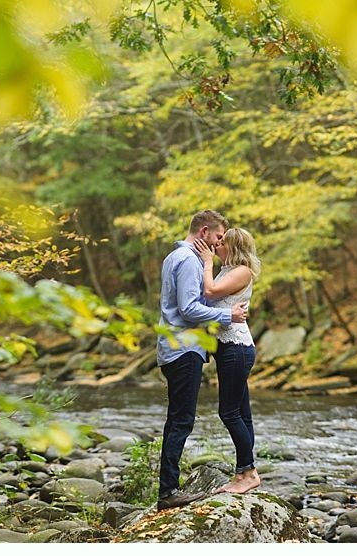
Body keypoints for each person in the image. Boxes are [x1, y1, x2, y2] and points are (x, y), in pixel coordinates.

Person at [155, 210, 248, 510]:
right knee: (181, 420)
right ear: (204, 232)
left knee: (179, 419)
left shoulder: (179, 258)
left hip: (179, 348)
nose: (221, 243)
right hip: (183, 348)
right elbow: (188, 309)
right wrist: (227, 314)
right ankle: (168, 491)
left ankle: (169, 488)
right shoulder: (187, 261)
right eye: (219, 237)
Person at [195, 227, 261, 494]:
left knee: (229, 412)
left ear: (234, 248)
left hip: (236, 346)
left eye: (222, 243)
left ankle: (248, 473)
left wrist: (207, 262)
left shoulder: (242, 270)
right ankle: (245, 472)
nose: (217, 245)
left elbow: (210, 292)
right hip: (228, 347)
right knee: (242, 414)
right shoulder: (228, 270)